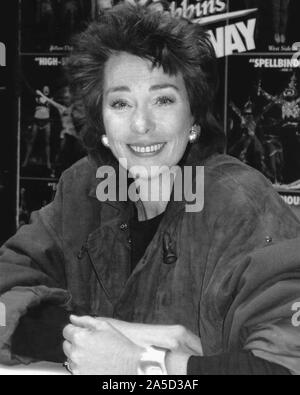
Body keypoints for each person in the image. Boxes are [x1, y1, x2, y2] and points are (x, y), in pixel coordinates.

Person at [1, 4, 300, 375]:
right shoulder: (88, 187)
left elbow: (285, 364)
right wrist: (94, 340)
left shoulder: (239, 201)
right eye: (121, 102)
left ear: (193, 117)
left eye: (163, 99)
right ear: (103, 124)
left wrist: (145, 364)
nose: (142, 124)